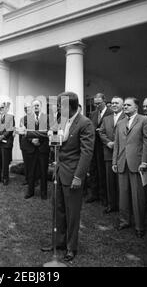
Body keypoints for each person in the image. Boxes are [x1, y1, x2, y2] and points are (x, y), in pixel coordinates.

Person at [41, 92, 95, 262]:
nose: (57, 108)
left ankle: (71, 247)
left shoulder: (85, 123)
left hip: (73, 174)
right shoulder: (61, 120)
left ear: (69, 106)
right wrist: (52, 138)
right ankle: (58, 243)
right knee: (58, 210)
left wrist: (79, 176)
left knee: (72, 214)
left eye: (59, 105)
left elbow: (86, 153)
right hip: (59, 172)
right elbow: (57, 145)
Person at [112, 97, 147, 238]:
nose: (125, 107)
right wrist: (114, 161)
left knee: (138, 196)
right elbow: (116, 144)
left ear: (136, 107)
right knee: (123, 194)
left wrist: (144, 161)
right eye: (125, 105)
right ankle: (124, 221)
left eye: (128, 105)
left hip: (137, 164)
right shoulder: (121, 123)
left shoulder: (144, 120)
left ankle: (140, 226)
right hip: (122, 163)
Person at [18, 99, 49, 199]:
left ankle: (43, 193)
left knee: (44, 172)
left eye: (37, 105)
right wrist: (32, 140)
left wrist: (39, 140)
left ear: (41, 106)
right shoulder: (27, 119)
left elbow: (48, 132)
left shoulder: (47, 117)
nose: (36, 107)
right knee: (31, 171)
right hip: (31, 148)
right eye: (34, 105)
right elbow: (24, 132)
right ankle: (30, 191)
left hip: (43, 148)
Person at [98, 96, 125, 214]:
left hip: (123, 154)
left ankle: (122, 206)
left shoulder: (127, 117)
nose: (114, 105)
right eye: (112, 103)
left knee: (122, 183)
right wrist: (108, 142)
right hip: (109, 153)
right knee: (110, 181)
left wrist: (118, 144)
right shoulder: (107, 119)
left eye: (117, 103)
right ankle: (111, 204)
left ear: (122, 105)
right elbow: (101, 132)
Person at [87, 93, 113, 204]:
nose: (97, 105)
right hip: (94, 145)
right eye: (95, 103)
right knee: (93, 170)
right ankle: (94, 194)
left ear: (104, 101)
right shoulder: (92, 114)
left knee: (103, 172)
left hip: (105, 146)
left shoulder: (111, 113)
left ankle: (104, 196)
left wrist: (101, 132)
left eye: (99, 103)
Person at [0, 102, 15, 185]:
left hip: (5, 142)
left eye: (2, 107)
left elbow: (10, 129)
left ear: (5, 108)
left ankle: (5, 178)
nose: (0, 109)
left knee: (5, 161)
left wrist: (2, 136)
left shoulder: (11, 117)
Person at [19, 102, 32, 186]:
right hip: (24, 144)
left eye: (28, 108)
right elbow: (20, 132)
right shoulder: (22, 119)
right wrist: (20, 145)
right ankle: (27, 179)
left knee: (33, 164)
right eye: (25, 108)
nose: (27, 109)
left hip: (32, 144)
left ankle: (34, 180)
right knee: (26, 163)